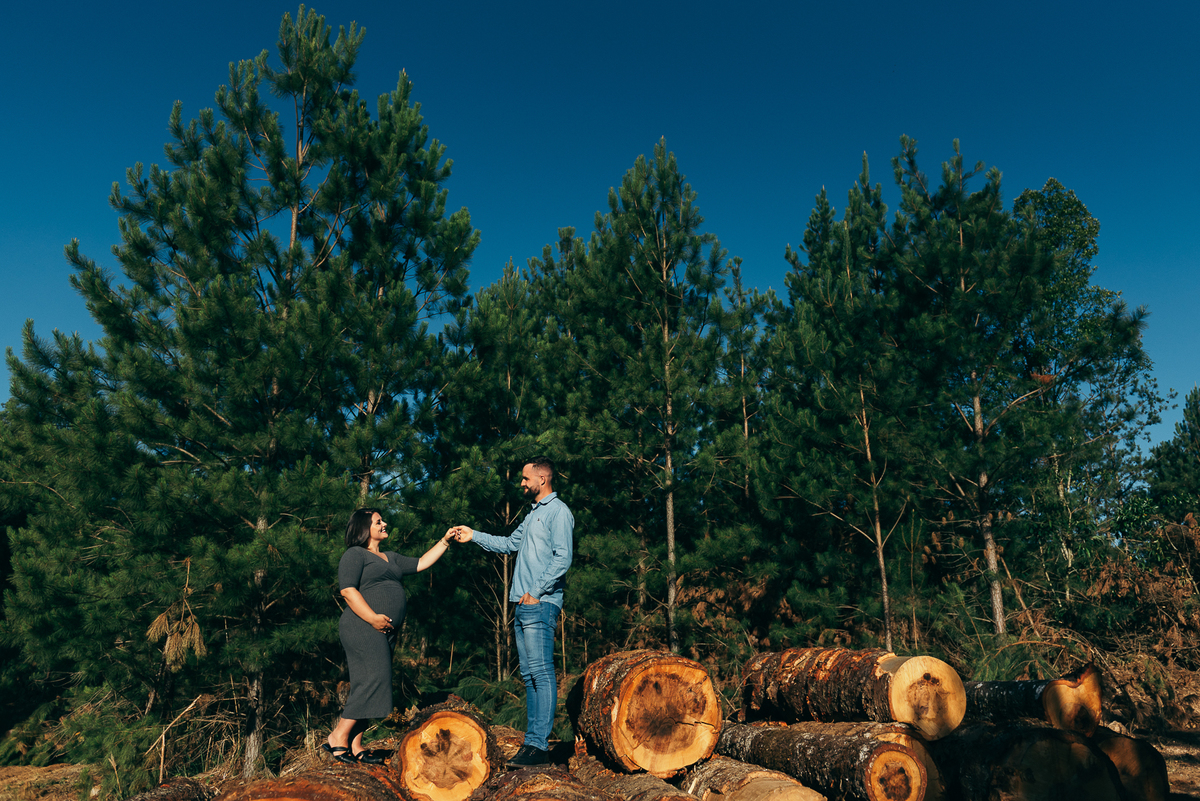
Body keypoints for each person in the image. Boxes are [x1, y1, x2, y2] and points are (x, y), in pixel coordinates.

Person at [449, 456, 573, 767]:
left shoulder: (558, 511)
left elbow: (563, 558)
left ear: (542, 479)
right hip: (522, 604)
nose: (521, 483)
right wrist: (474, 535)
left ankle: (538, 746)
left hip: (540, 603)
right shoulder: (533, 514)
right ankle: (532, 744)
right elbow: (508, 544)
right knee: (530, 676)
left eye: (525, 478)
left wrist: (536, 592)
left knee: (542, 673)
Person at [325, 508, 454, 764]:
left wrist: (444, 541)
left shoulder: (390, 557)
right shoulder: (355, 554)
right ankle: (338, 735)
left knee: (369, 682)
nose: (384, 524)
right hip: (362, 625)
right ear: (364, 528)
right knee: (374, 678)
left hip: (383, 630)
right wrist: (373, 618)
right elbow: (348, 591)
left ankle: (356, 744)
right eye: (378, 521)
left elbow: (421, 562)